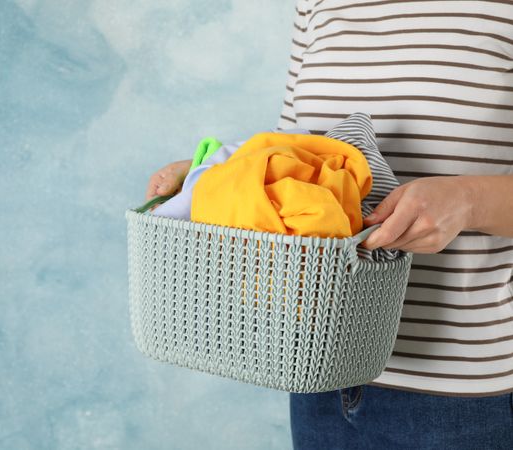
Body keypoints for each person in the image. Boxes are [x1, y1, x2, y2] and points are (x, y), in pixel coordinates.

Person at [145, 1, 513, 448]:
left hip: (458, 391)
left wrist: (468, 201)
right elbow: (295, 152)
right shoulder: (317, 4)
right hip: (317, 368)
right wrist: (219, 175)